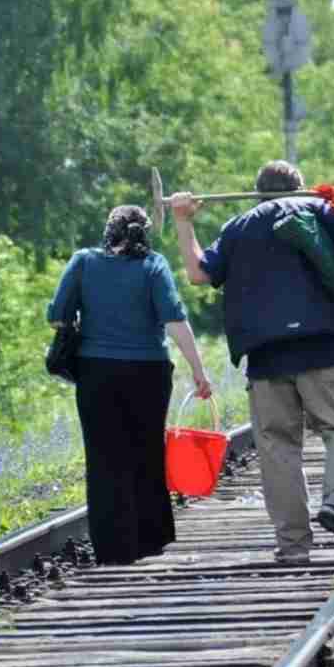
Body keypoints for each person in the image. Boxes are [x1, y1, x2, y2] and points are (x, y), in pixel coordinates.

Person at [170, 161, 334, 563]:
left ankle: (293, 547)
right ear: (300, 187)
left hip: (265, 358)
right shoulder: (320, 211)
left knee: (278, 449)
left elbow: (197, 273)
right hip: (324, 349)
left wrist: (182, 221)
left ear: (257, 192)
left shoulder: (237, 228)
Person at [47, 204, 212, 566]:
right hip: (148, 373)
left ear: (109, 231)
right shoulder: (154, 265)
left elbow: (56, 314)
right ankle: (149, 539)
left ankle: (112, 547)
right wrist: (199, 370)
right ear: (143, 233)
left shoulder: (83, 262)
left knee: (104, 457)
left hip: (96, 373)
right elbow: (175, 320)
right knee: (146, 452)